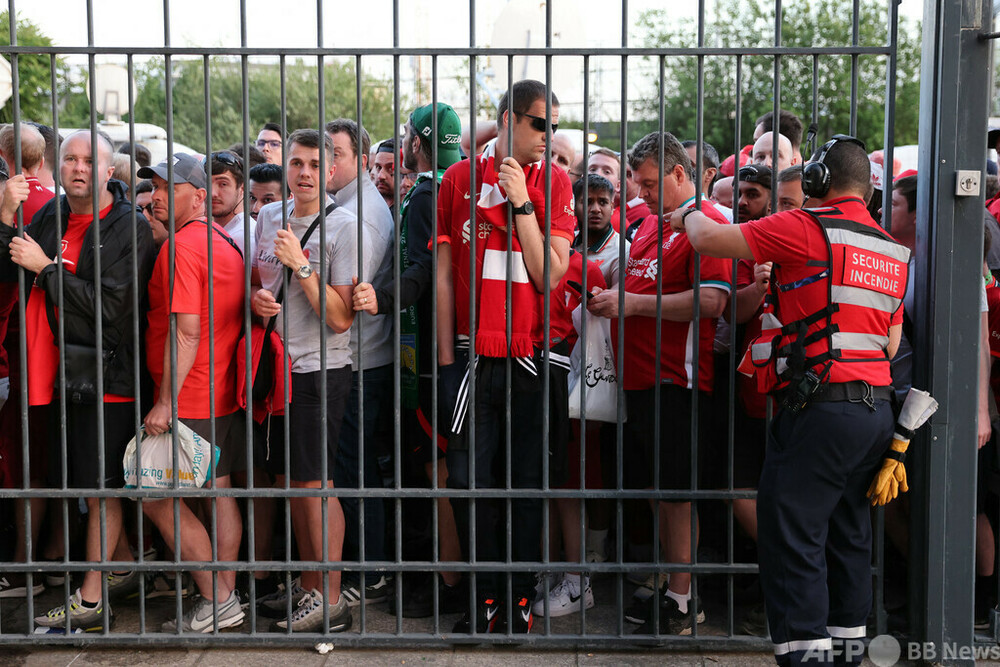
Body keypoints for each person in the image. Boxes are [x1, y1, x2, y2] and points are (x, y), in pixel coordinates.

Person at [672, 135, 908, 665]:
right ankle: (845, 651)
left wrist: (688, 212)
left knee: (792, 539)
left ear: (819, 181)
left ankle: (804, 658)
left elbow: (709, 238)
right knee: (849, 537)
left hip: (820, 410)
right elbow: (890, 343)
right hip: (875, 412)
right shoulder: (890, 249)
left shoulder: (806, 226)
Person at [436, 79, 575, 634]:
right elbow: (444, 278)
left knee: (523, 485)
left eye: (555, 127)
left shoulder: (557, 181)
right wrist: (447, 364)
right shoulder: (458, 178)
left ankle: (517, 598)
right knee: (471, 485)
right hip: (471, 359)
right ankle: (483, 596)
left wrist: (521, 202)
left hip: (531, 358)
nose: (548, 136)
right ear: (508, 119)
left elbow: (550, 275)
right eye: (541, 124)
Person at [0, 130, 155, 628]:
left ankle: (90, 599)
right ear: (56, 164)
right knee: (89, 481)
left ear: (111, 171)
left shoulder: (129, 226)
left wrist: (46, 270)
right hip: (64, 375)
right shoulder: (55, 214)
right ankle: (124, 569)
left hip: (110, 374)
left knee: (102, 487)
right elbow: (10, 269)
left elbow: (112, 307)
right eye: (70, 159)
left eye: (90, 161)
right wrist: (5, 216)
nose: (79, 168)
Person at [587, 131, 731, 636]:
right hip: (640, 380)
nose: (641, 194)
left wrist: (631, 304)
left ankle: (683, 599)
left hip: (678, 380)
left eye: (649, 184)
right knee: (659, 489)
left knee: (676, 493)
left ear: (678, 173)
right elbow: (639, 281)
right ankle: (675, 584)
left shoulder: (706, 223)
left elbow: (712, 302)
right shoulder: (650, 224)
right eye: (637, 184)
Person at [352, 102, 466, 618]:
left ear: (415, 145)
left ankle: (448, 581)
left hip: (427, 356)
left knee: (436, 468)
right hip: (444, 348)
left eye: (406, 137)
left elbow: (424, 268)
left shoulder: (426, 193)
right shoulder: (456, 178)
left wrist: (384, 296)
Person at [251, 129, 361, 632]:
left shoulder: (344, 226)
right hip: (276, 367)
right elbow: (260, 282)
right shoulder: (270, 215)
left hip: (322, 368)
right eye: (296, 163)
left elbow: (340, 318)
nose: (305, 173)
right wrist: (257, 300)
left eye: (316, 164)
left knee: (318, 486)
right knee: (293, 485)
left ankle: (332, 596)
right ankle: (309, 586)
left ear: (331, 170)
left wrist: (302, 266)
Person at [139, 153, 247, 633]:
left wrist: (164, 401)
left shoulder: (183, 247)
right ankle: (224, 595)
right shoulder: (222, 240)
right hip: (220, 389)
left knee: (151, 495)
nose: (158, 195)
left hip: (190, 394)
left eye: (169, 187)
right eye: (156, 187)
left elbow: (185, 332)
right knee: (218, 493)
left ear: (199, 197)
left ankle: (218, 598)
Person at [324, 118, 394, 607]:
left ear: (361, 160)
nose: (326, 164)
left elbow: (349, 301)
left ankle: (369, 571)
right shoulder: (346, 204)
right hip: (353, 358)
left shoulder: (363, 214)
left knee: (354, 469)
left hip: (360, 361)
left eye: (335, 153)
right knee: (349, 466)